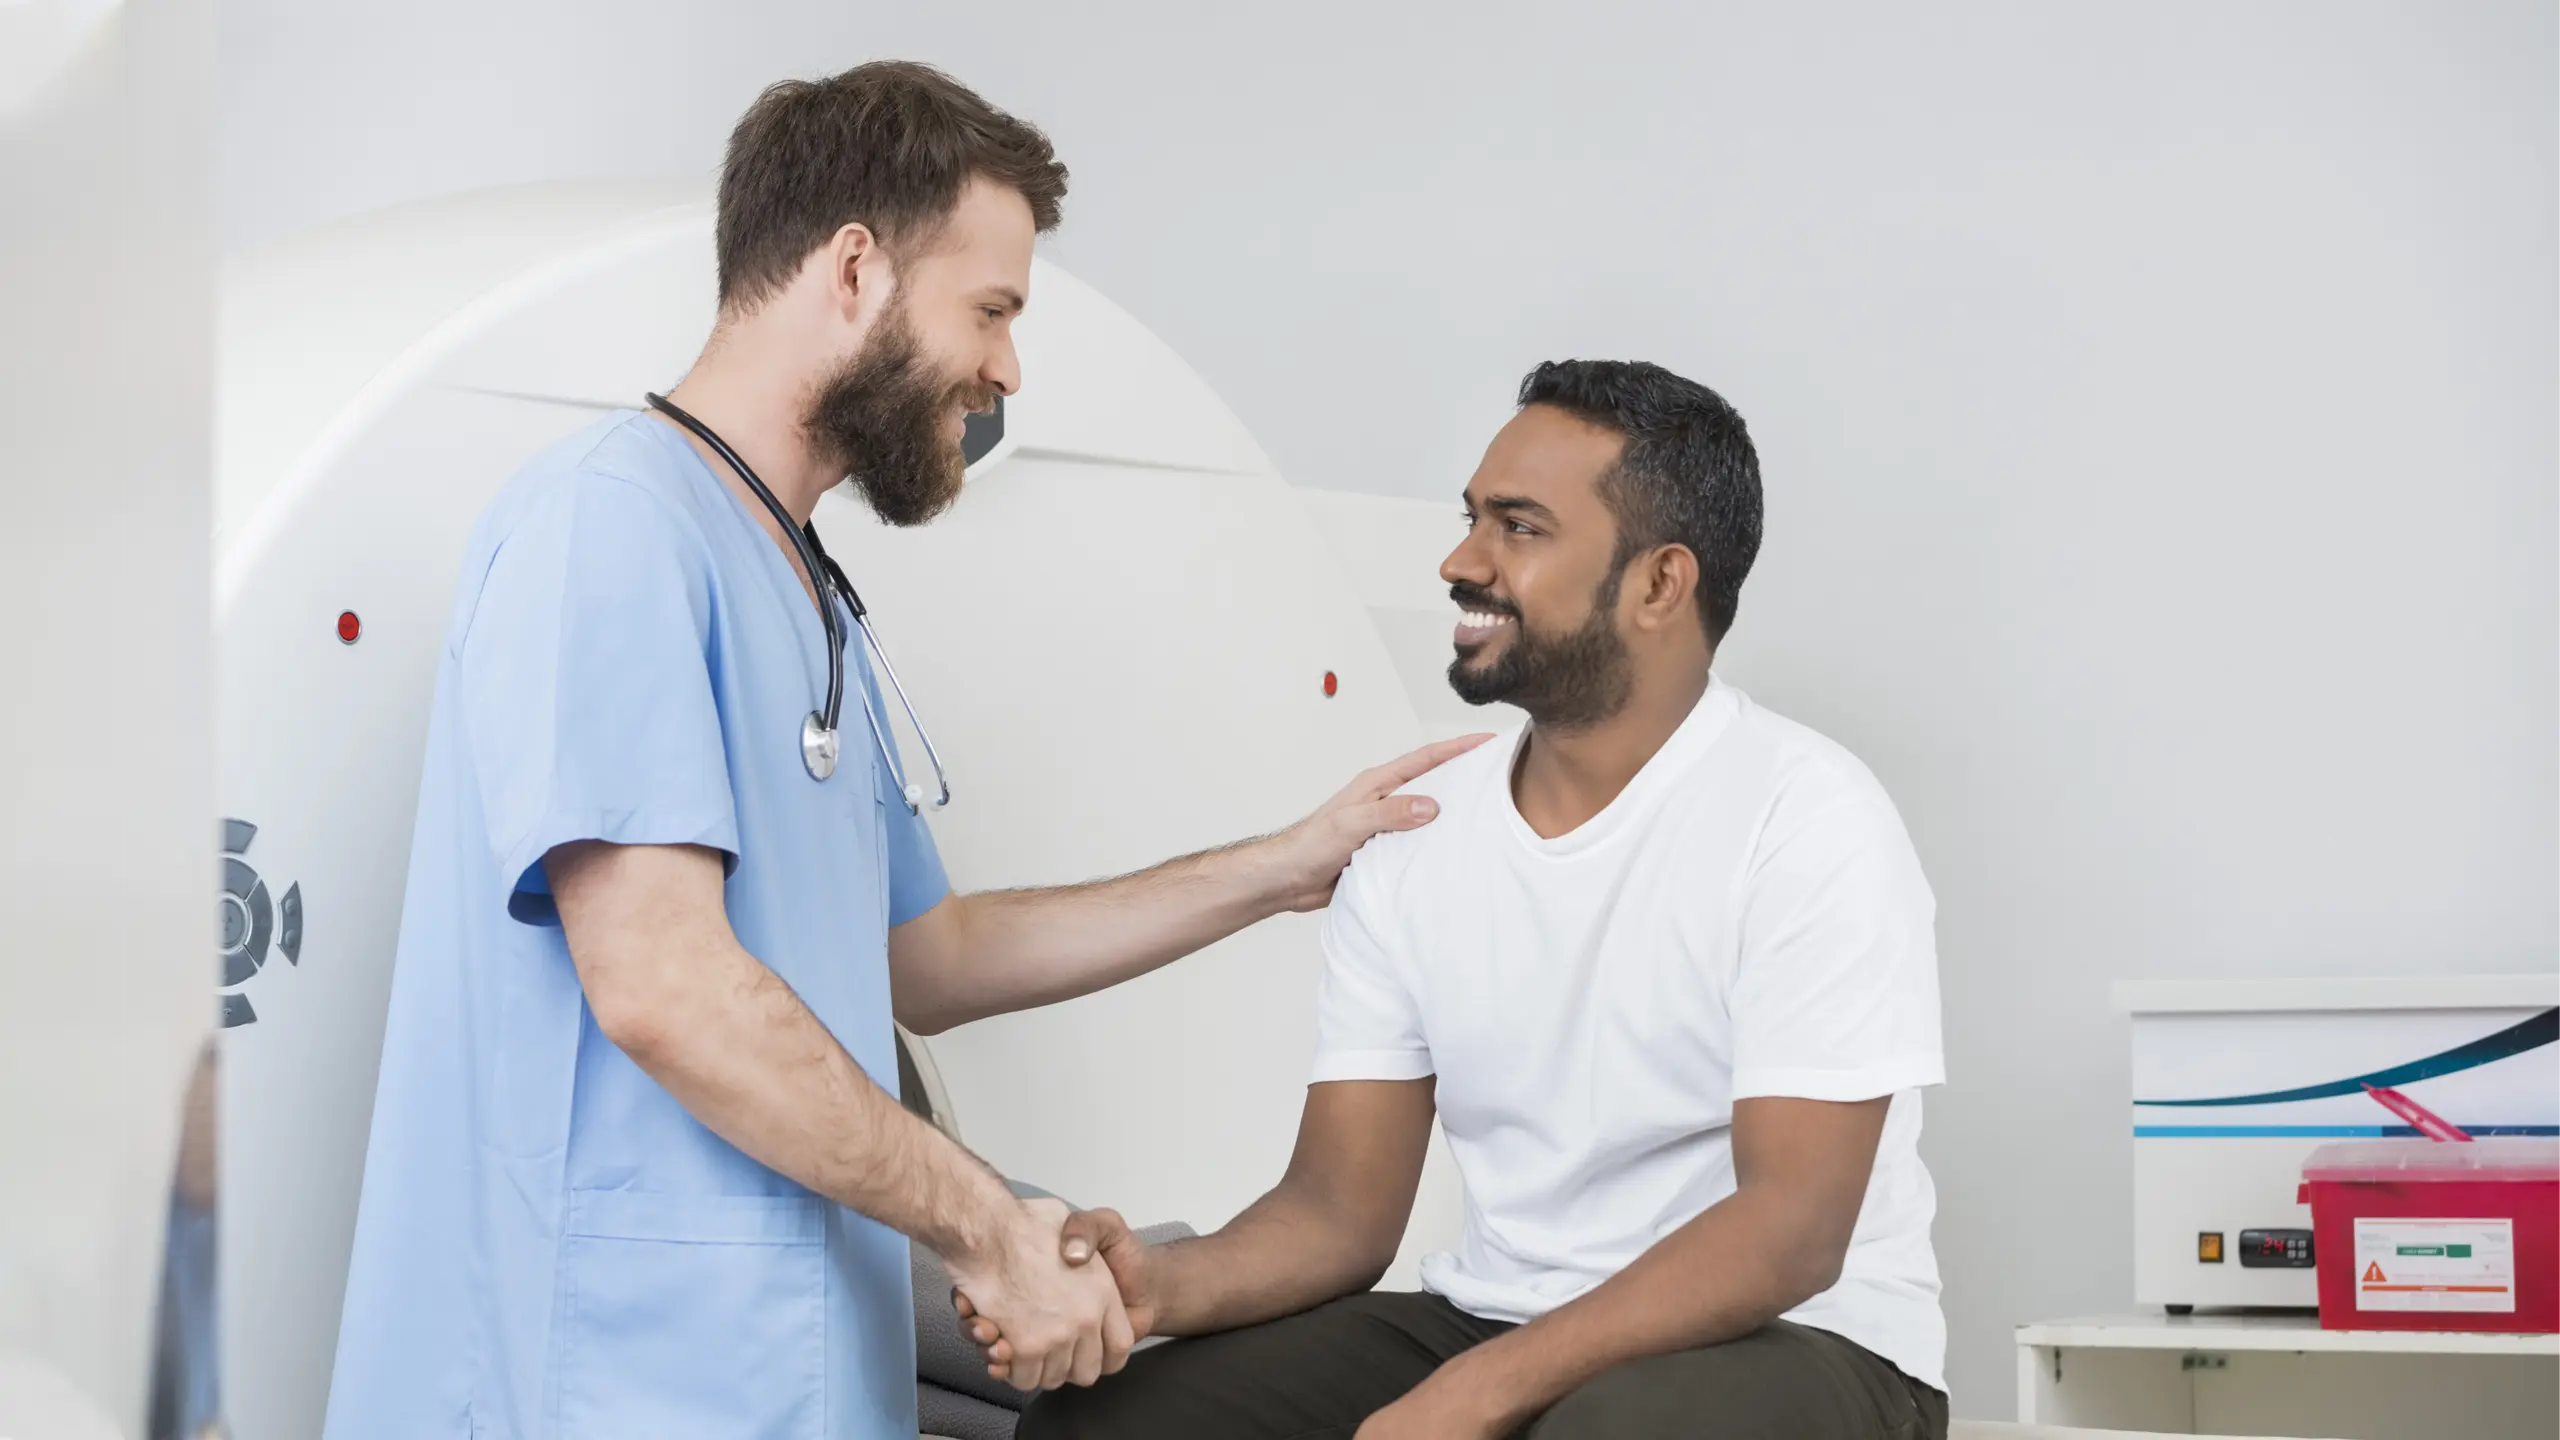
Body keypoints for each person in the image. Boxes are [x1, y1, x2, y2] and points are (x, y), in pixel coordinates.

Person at [322, 62, 1482, 1440]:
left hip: (788, 1368)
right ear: (857, 270)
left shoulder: (800, 586)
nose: (1007, 368)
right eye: (990, 309)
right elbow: (662, 985)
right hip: (605, 1374)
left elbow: (931, 961)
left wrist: (1279, 868)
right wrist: (986, 1228)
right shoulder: (615, 528)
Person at [997, 361, 1950, 1439]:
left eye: (1520, 528)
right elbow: (1338, 1212)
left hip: (1809, 1338)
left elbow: (1791, 1230)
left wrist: (1476, 1393)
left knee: (1599, 1432)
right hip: (1498, 1314)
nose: (1462, 561)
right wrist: (1158, 1285)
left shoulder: (1806, 819)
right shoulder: (1419, 831)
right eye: (1471, 519)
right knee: (1108, 1428)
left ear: (1659, 584)